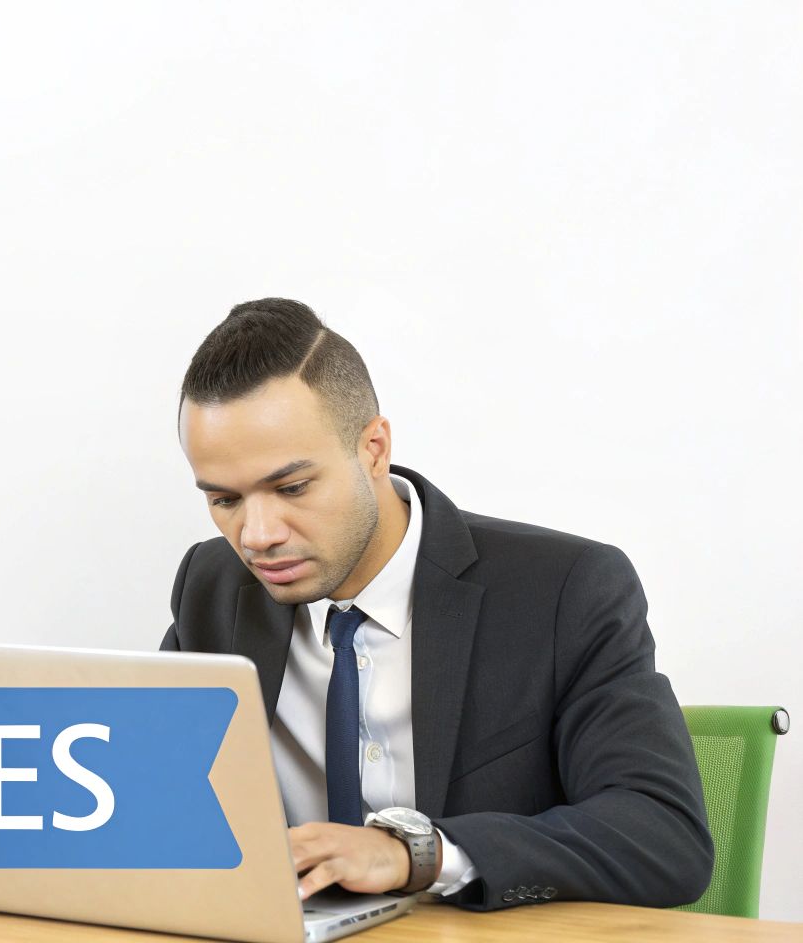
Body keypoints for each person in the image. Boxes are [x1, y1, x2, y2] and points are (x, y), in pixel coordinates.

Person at [159, 298, 711, 910]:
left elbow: (663, 835)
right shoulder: (211, 586)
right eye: (225, 500)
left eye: (291, 487)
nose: (258, 535)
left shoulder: (565, 590)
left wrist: (415, 854)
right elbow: (154, 797)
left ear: (374, 448)